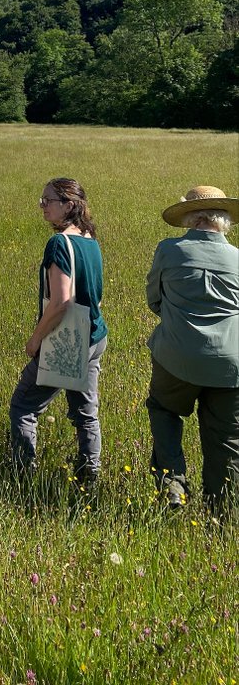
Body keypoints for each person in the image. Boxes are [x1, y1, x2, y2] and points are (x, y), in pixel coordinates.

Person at [145, 185, 239, 511]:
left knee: (163, 409)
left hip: (176, 357)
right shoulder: (238, 259)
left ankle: (173, 485)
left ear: (192, 218)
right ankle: (222, 513)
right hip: (231, 365)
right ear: (223, 221)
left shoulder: (169, 251)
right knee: (226, 441)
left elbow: (154, 300)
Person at [9, 178, 107, 486]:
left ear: (69, 204)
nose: (42, 205)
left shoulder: (59, 244)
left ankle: (23, 474)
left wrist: (36, 339)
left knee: (24, 406)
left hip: (67, 341)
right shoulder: (90, 238)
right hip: (94, 334)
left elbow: (61, 301)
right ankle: (88, 474)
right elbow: (95, 293)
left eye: (47, 200)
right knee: (85, 411)